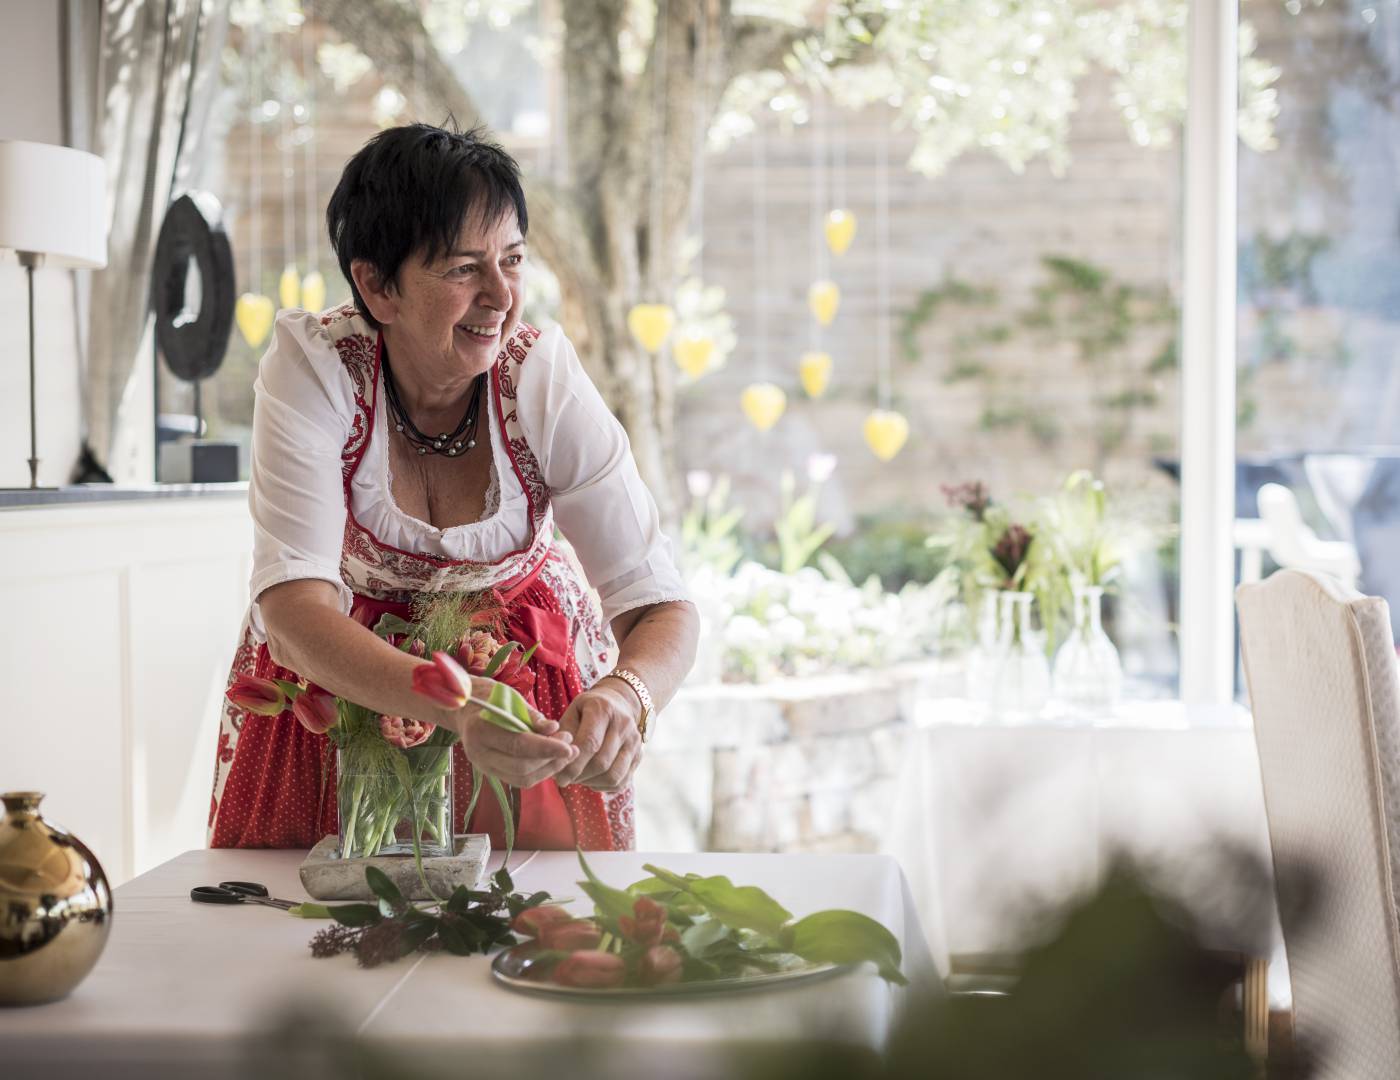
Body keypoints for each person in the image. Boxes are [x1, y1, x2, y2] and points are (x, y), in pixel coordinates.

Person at [210, 123, 698, 851]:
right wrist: (456, 701)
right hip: (345, 686)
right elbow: (292, 606)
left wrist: (628, 697)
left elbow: (659, 602)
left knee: (539, 931)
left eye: (513, 261)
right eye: (464, 269)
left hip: (527, 698)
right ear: (378, 286)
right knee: (322, 931)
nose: (502, 297)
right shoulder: (316, 368)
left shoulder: (541, 377)